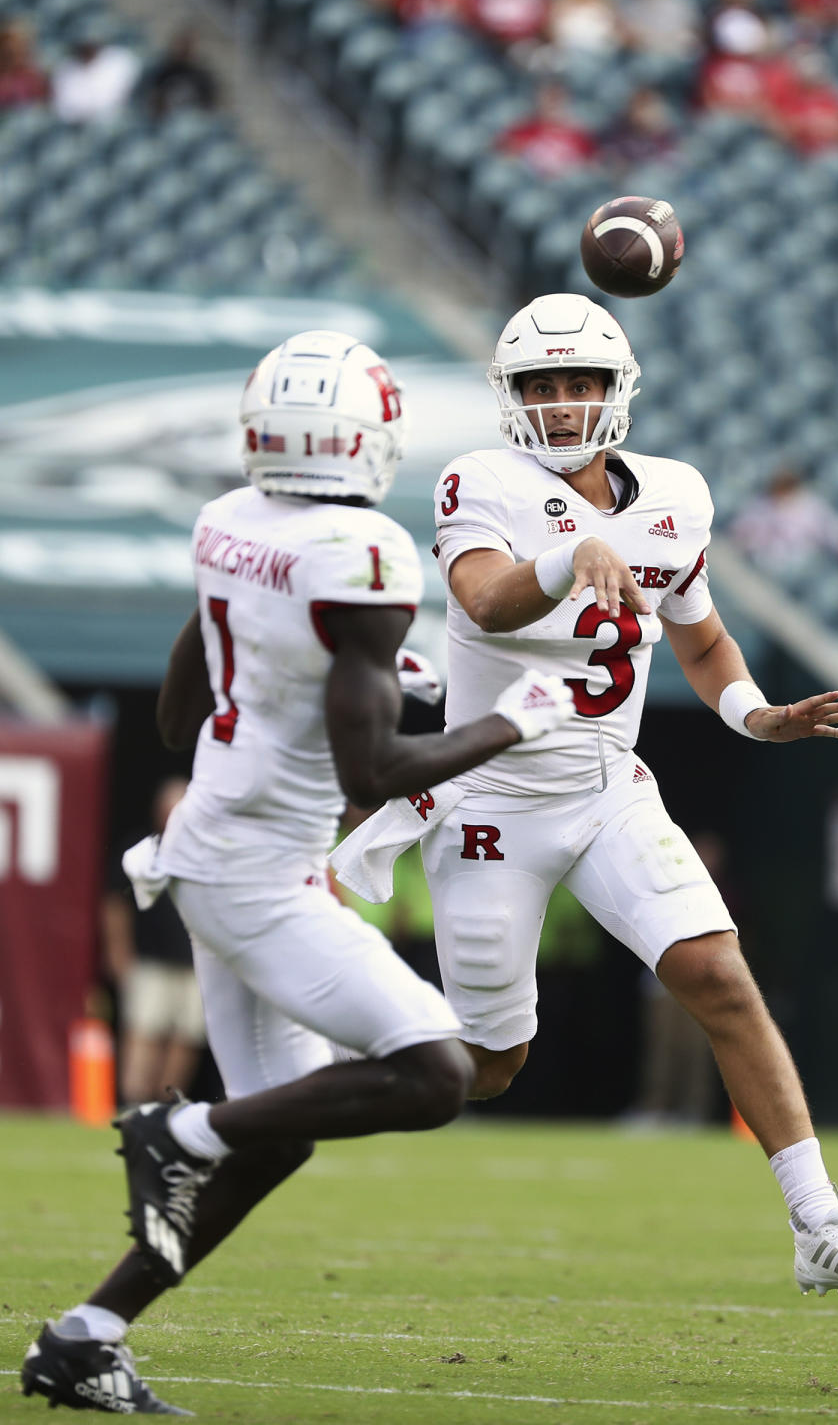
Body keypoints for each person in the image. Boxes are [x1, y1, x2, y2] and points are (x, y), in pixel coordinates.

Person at [20, 330, 574, 1415]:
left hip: (209, 855)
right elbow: (372, 767)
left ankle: (87, 1334)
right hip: (258, 878)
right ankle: (178, 1130)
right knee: (434, 1073)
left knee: (282, 1136)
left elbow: (184, 709)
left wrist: (349, 664)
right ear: (370, 439)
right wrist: (510, 721)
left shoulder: (228, 521)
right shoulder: (362, 557)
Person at [340, 293, 838, 1306]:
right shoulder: (482, 481)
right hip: (490, 800)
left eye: (579, 385)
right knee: (490, 1064)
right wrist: (573, 554)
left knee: (717, 972)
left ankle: (819, 1224)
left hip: (610, 789)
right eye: (541, 387)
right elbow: (484, 598)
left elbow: (697, 637)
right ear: (512, 398)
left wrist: (752, 714)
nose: (562, 406)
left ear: (616, 392)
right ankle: (333, 1034)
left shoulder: (678, 497)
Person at [101, 778, 209, 1105]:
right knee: (144, 1030)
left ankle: (167, 1102)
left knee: (187, 1037)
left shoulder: (209, 852)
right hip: (152, 958)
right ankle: (136, 1100)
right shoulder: (143, 850)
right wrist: (119, 952)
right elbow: (115, 904)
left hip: (197, 961)